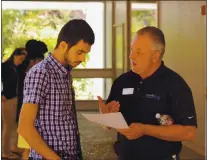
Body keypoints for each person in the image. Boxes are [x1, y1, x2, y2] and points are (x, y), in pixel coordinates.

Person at [98, 26, 197, 160]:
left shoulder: (175, 84)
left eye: (138, 52)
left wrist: (145, 129)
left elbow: (189, 132)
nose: (131, 56)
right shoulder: (122, 82)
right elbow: (108, 125)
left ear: (155, 55)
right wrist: (106, 118)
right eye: (131, 50)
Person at [18, 19, 95, 160]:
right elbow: (25, 128)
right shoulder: (41, 73)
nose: (83, 59)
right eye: (79, 52)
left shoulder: (65, 73)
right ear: (63, 45)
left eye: (85, 53)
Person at [16, 39, 48, 160]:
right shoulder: (36, 68)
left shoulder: (21, 66)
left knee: (27, 147)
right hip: (33, 113)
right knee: (29, 148)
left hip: (22, 108)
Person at [1, 48, 27, 159]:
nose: (20, 61)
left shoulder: (15, 68)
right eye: (20, 58)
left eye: (22, 60)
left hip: (14, 98)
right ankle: (4, 152)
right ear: (15, 55)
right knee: (7, 127)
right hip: (6, 99)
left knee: (12, 126)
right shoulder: (4, 66)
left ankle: (11, 148)